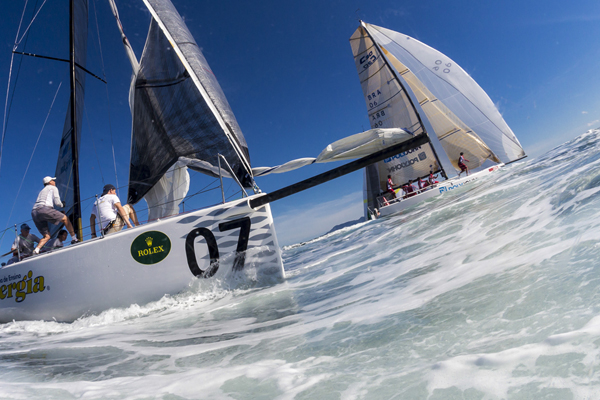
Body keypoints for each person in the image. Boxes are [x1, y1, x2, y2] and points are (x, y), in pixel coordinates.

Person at [31, 176, 78, 255]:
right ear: (50, 182)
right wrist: (62, 205)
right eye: (53, 180)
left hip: (34, 212)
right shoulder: (53, 188)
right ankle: (74, 239)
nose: (54, 182)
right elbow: (57, 202)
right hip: (44, 209)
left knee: (47, 236)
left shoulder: (42, 191)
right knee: (65, 219)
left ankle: (36, 250)